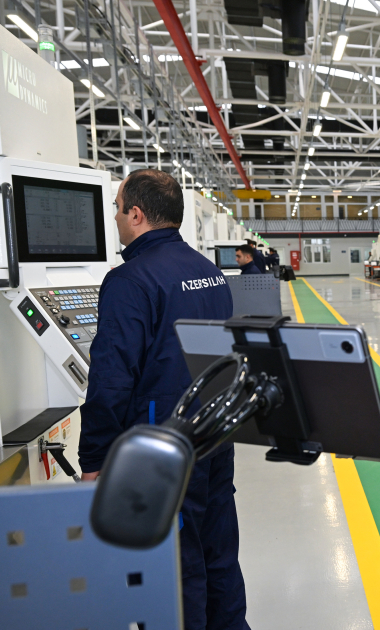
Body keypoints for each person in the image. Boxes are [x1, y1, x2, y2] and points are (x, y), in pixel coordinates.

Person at [78, 169, 249, 630]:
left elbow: (111, 380)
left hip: (160, 448)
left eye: (117, 208)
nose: (116, 218)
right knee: (219, 553)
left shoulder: (129, 280)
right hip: (214, 435)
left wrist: (94, 457)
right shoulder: (208, 272)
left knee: (174, 565)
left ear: (136, 214)